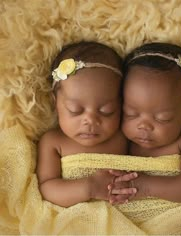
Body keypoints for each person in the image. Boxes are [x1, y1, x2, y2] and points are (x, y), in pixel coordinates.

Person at [37, 42, 137, 207]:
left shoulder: (124, 135)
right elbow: (47, 188)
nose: (90, 120)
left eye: (107, 111)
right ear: (55, 103)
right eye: (75, 110)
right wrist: (89, 187)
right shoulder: (53, 141)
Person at [109, 42, 181, 203]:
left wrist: (145, 186)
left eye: (162, 118)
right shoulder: (117, 136)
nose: (144, 126)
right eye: (131, 113)